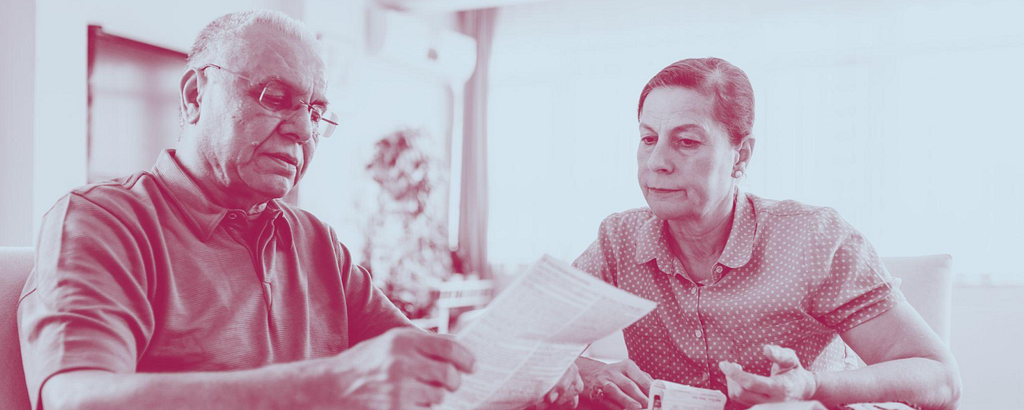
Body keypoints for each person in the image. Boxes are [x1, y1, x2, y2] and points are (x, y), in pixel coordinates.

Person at [17, 11, 580, 410]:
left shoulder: (314, 241)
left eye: (316, 109)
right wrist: (329, 385)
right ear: (194, 96)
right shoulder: (103, 223)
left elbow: (426, 361)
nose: (304, 127)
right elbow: (79, 397)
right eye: (275, 98)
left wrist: (541, 370)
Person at [571, 58, 961, 410]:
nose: (656, 163)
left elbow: (939, 377)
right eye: (648, 138)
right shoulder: (618, 239)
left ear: (740, 156)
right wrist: (589, 373)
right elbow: (523, 347)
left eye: (686, 141)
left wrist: (810, 386)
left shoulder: (814, 239)